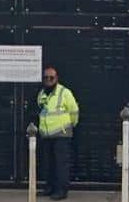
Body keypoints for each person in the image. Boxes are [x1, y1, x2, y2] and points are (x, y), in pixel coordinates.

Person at [37, 67, 79, 201]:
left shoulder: (64, 92)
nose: (48, 80)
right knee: (48, 163)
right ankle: (50, 187)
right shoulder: (42, 93)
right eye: (46, 77)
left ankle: (61, 191)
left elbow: (74, 111)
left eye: (51, 77)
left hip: (62, 134)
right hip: (47, 135)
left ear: (57, 78)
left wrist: (70, 125)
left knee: (61, 164)